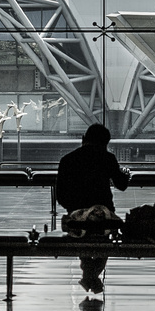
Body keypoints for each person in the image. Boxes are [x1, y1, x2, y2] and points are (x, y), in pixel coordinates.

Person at [56, 124, 131, 293]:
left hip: (77, 215)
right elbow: (122, 185)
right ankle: (90, 276)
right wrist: (126, 175)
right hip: (103, 215)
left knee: (82, 237)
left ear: (84, 139)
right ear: (105, 143)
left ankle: (89, 275)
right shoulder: (107, 158)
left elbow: (61, 195)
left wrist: (74, 208)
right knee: (104, 241)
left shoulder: (67, 160)